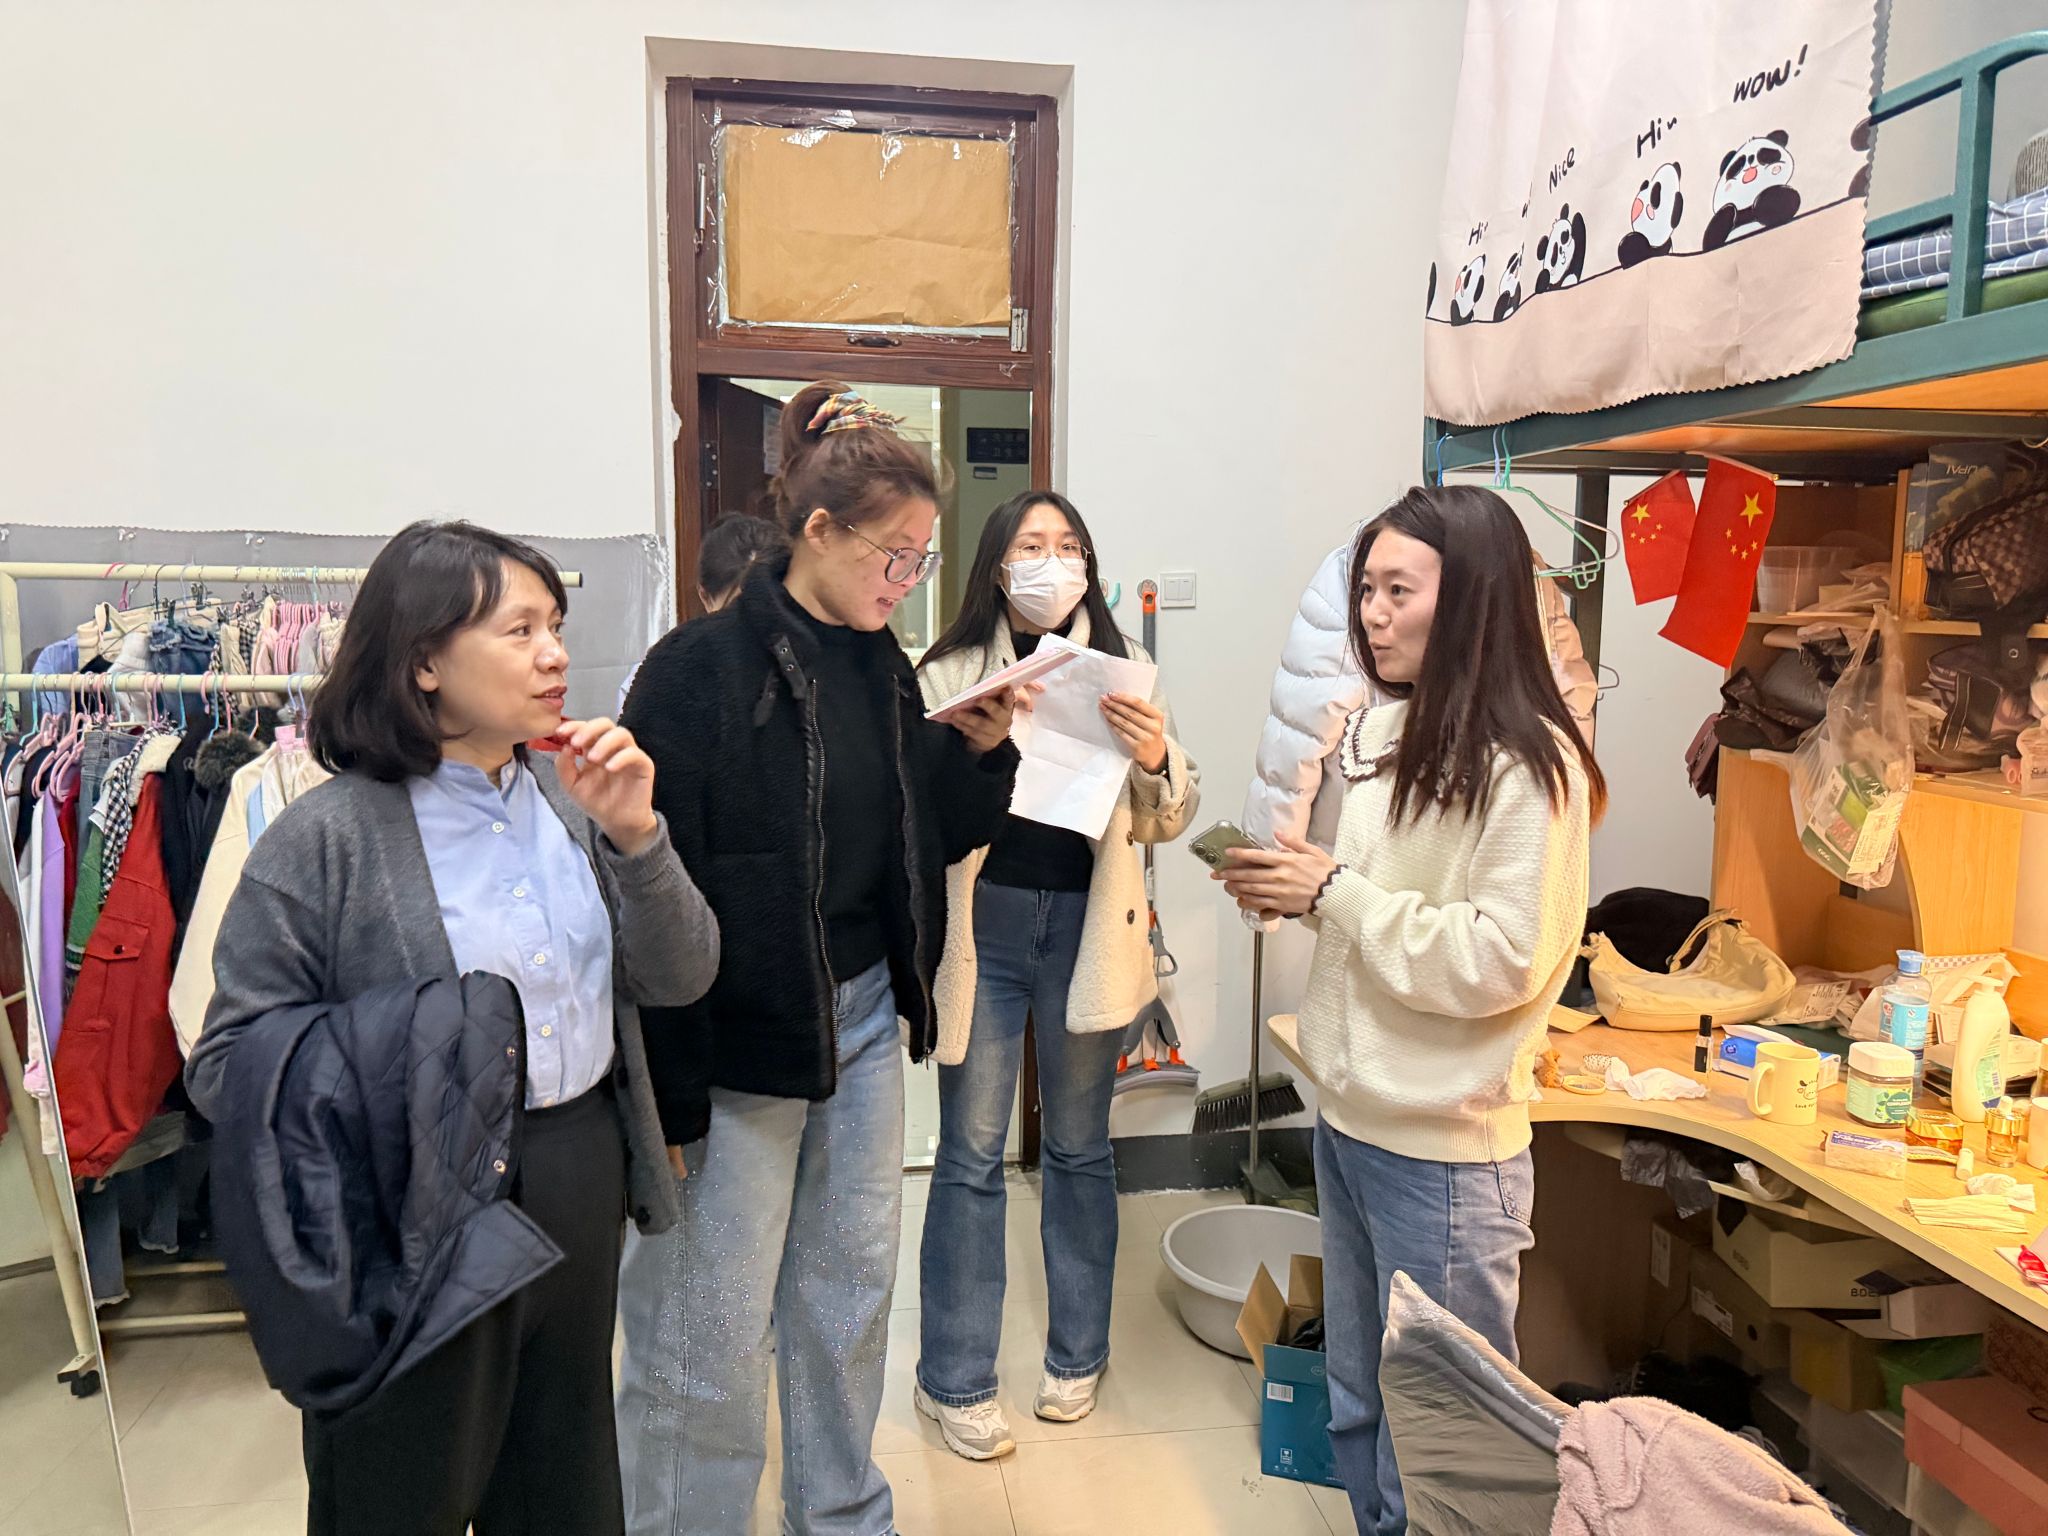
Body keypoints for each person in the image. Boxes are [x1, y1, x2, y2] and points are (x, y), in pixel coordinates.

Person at [188, 520, 720, 1536]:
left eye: (556, 626)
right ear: (424, 660)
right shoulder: (325, 837)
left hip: (578, 1167)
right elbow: (225, 1066)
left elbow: (682, 974)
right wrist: (426, 1050)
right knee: (403, 1485)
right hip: (412, 1204)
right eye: (520, 630)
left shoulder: (573, 801)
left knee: (564, 1481)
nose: (555, 654)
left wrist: (637, 836)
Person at [616, 382, 1023, 1536]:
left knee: (848, 1299)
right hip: (733, 1043)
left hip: (859, 1017)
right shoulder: (693, 673)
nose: (907, 581)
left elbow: (918, 841)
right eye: (893, 557)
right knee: (706, 1328)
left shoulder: (883, 667)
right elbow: (647, 902)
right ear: (818, 531)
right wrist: (669, 1100)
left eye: (921, 560)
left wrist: (979, 757)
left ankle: (841, 1513)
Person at [1217, 485, 1604, 1536]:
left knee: (1447, 1446)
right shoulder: (1393, 733)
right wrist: (1299, 887)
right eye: (1366, 591)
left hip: (1443, 1156)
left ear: (1471, 598)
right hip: (1351, 1121)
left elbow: (1499, 959)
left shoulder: (1532, 767)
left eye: (1398, 591)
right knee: (1359, 1401)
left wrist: (1334, 893)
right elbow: (1382, 913)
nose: (1370, 616)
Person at [912, 492, 1200, 1458]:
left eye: (1069, 545)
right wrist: (976, 748)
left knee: (1078, 1148)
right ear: (998, 566)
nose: (1053, 560)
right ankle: (955, 1379)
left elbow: (1165, 819)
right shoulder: (950, 668)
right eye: (1033, 545)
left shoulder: (1122, 666)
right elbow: (918, 813)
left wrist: (1154, 755)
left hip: (1087, 926)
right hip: (983, 929)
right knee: (970, 1152)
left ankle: (1079, 1356)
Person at [615, 512, 785, 714]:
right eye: (739, 611)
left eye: (771, 605)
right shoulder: (656, 678)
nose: (756, 624)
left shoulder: (807, 671)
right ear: (705, 597)